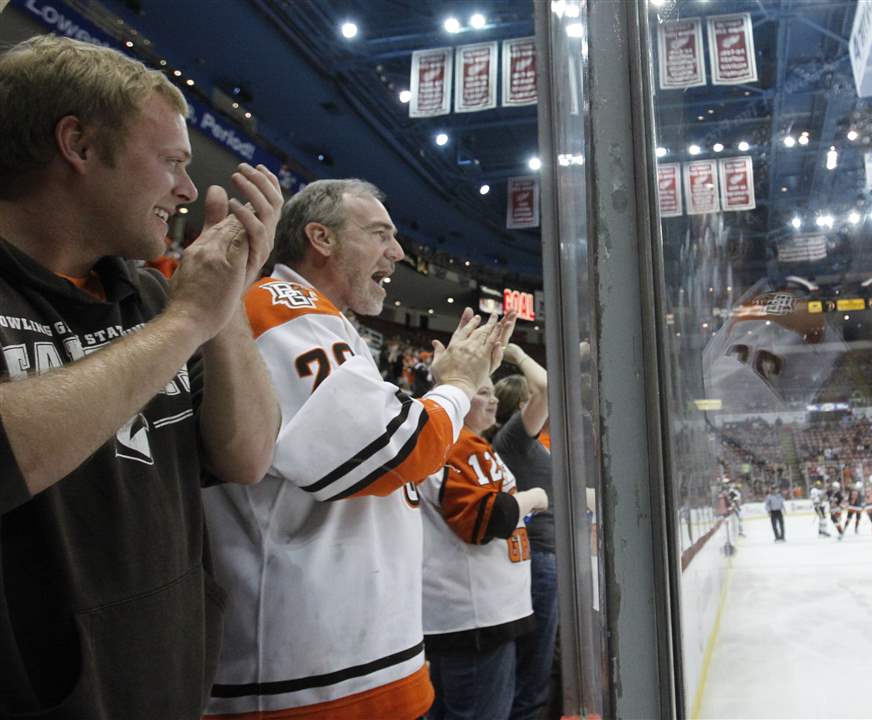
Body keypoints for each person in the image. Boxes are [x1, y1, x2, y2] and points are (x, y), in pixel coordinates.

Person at [0, 35, 282, 717]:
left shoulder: (151, 299)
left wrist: (225, 301)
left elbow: (248, 457)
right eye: (171, 162)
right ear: (80, 146)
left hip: (166, 682)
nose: (186, 189)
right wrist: (186, 322)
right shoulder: (168, 317)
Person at [201, 179, 515, 719]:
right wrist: (458, 386)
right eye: (380, 234)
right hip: (308, 680)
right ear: (319, 237)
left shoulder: (327, 322)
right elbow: (402, 449)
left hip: (350, 662)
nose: (397, 252)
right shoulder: (281, 304)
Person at [419, 376, 549, 720]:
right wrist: (533, 498)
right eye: (483, 392)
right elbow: (483, 518)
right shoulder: (455, 443)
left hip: (473, 613)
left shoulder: (467, 442)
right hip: (475, 617)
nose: (493, 401)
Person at [490, 345, 557, 720]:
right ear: (520, 406)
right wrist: (515, 353)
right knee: (533, 672)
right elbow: (548, 386)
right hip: (537, 560)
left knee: (537, 667)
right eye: (530, 400)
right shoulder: (512, 437)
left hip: (542, 559)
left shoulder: (522, 444)